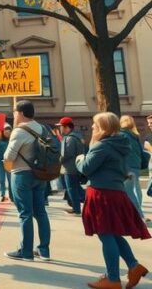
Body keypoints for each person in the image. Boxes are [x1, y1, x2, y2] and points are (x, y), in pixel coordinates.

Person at [76, 112, 149, 289]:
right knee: (114, 234)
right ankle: (133, 266)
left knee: (106, 234)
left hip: (101, 193)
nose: (92, 127)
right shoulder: (122, 143)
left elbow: (86, 168)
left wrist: (80, 159)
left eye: (95, 124)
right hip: (116, 192)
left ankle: (113, 279)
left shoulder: (102, 145)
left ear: (102, 127)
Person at [2, 100, 52, 261]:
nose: (14, 115)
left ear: (21, 113)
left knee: (25, 214)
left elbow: (8, 156)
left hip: (22, 174)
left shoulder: (19, 131)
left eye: (15, 112)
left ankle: (26, 252)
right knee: (41, 213)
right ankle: (44, 250)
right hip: (40, 174)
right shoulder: (42, 128)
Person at [119, 115, 145, 221]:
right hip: (136, 166)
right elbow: (140, 151)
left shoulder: (121, 135)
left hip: (127, 167)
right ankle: (133, 214)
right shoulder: (135, 135)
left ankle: (139, 216)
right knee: (134, 190)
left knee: (129, 192)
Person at [58, 117, 85, 215]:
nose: (60, 129)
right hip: (74, 168)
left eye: (61, 127)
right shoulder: (76, 137)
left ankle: (76, 209)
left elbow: (66, 154)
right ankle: (76, 207)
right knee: (75, 188)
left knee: (72, 189)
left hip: (70, 169)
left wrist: (58, 160)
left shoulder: (69, 138)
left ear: (66, 127)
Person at [0, 124, 11, 203]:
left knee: (10, 179)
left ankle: (12, 195)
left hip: (8, 161)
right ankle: (2, 195)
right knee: (1, 179)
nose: (7, 133)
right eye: (6, 132)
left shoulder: (12, 140)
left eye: (9, 132)